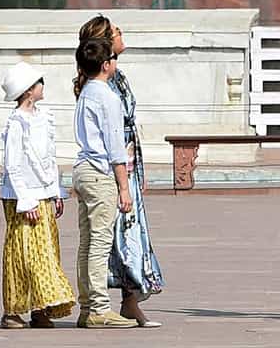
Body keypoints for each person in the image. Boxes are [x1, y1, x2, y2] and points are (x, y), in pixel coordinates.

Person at [76, 16, 164, 328]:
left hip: (117, 165)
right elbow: (114, 139)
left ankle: (103, 304)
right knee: (111, 240)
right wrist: (124, 183)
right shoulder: (104, 87)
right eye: (116, 32)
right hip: (111, 168)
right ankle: (104, 306)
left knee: (106, 239)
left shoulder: (107, 81)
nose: (122, 34)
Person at [0, 61, 75, 329]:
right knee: (24, 253)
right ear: (29, 90)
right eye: (39, 82)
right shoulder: (17, 123)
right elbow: (14, 164)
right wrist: (26, 199)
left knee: (46, 251)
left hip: (43, 194)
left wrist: (55, 193)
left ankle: (41, 307)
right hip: (24, 197)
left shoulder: (43, 118)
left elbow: (48, 159)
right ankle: (14, 309)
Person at [72, 37, 137, 328]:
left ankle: (87, 306)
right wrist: (124, 188)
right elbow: (114, 146)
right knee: (99, 243)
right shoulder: (107, 96)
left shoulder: (86, 91)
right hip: (99, 172)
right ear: (106, 64)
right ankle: (99, 307)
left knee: (87, 242)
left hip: (83, 168)